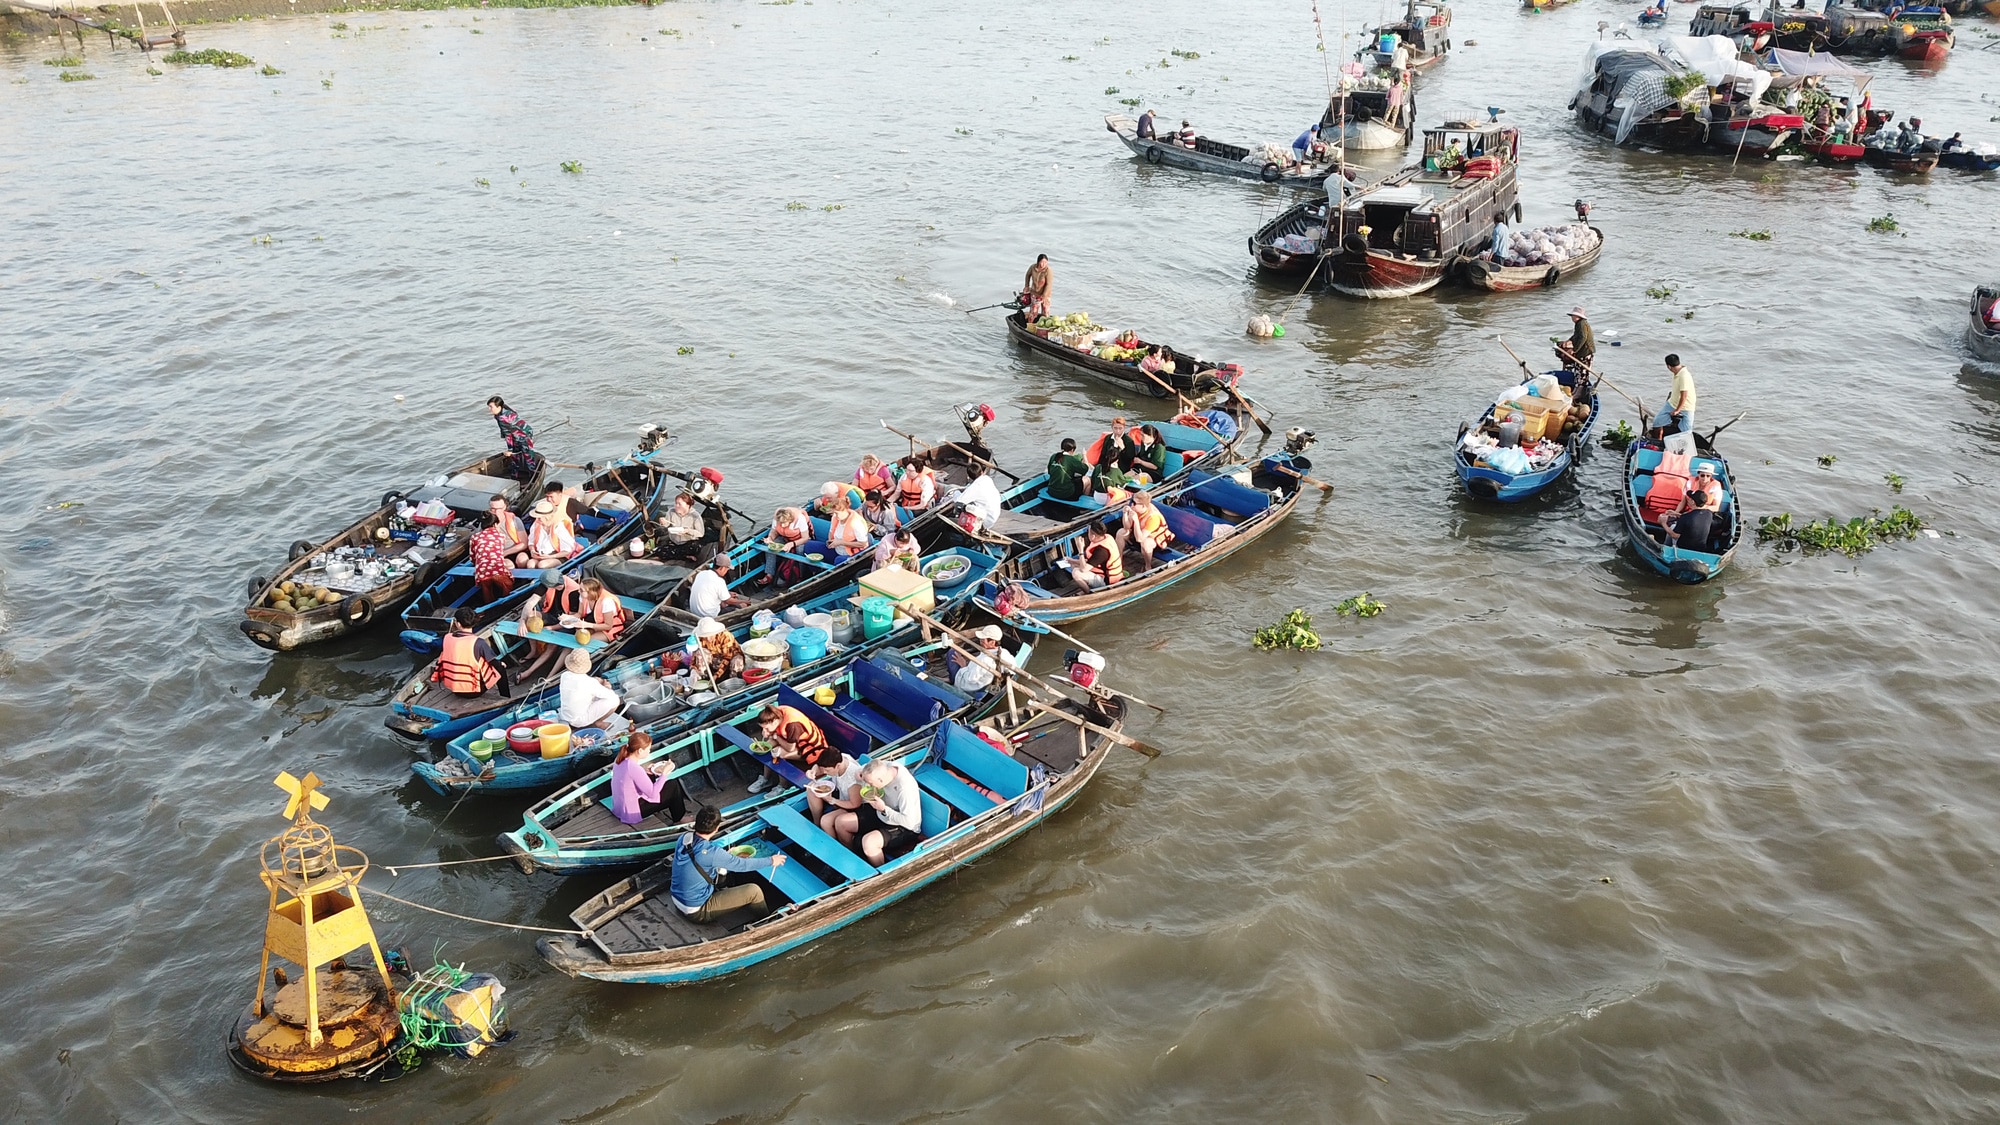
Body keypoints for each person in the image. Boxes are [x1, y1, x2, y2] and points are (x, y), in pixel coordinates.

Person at [669, 806, 787, 923]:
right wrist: (771, 860)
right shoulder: (713, 853)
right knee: (754, 891)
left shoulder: (684, 838)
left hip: (677, 898)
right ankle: (766, 922)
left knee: (721, 869)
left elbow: (702, 858)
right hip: (696, 911)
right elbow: (742, 865)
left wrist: (726, 857)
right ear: (717, 828)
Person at [828, 760, 923, 865]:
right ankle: (852, 859)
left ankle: (881, 873)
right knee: (841, 822)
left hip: (904, 826)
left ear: (880, 780)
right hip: (882, 811)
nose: (869, 785)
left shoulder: (905, 788)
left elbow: (910, 822)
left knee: (869, 842)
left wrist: (884, 809)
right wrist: (860, 772)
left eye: (871, 783)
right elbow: (869, 766)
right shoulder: (887, 767)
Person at [747, 703, 830, 794]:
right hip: (793, 743)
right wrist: (768, 739)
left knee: (779, 754)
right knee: (768, 748)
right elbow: (776, 736)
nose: (764, 731)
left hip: (811, 749)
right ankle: (766, 779)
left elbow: (790, 748)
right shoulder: (775, 714)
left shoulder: (792, 725)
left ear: (774, 722)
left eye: (766, 728)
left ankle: (782, 786)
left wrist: (775, 737)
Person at [610, 732, 687, 827]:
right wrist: (664, 774)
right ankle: (679, 818)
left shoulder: (620, 759)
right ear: (640, 751)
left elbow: (631, 780)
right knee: (673, 785)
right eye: (648, 749)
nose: (649, 751)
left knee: (654, 779)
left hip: (620, 808)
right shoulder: (634, 768)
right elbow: (653, 794)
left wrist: (649, 771)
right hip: (632, 811)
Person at [432, 608, 504, 697]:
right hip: (475, 692)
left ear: (458, 624)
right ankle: (505, 695)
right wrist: (501, 664)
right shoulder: (478, 642)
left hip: (455, 690)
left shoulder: (447, 637)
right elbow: (495, 663)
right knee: (499, 666)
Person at [557, 648, 627, 735]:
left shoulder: (564, 676)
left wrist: (596, 681)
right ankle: (598, 722)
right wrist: (607, 687)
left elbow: (581, 682)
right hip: (579, 720)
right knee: (614, 699)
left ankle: (594, 721)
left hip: (566, 715)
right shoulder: (589, 682)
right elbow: (609, 695)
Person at [949, 623, 1018, 694]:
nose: (980, 640)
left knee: (951, 653)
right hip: (982, 682)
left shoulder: (984, 660)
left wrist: (963, 666)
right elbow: (1013, 669)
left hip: (965, 685)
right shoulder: (1004, 652)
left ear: (992, 642)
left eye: (983, 640)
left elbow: (970, 679)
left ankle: (951, 680)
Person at [1664, 467, 1723, 549]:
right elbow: (1683, 501)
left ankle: (1666, 547)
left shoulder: (1715, 486)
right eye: (1702, 475)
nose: (1705, 478)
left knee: (1673, 528)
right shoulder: (1708, 515)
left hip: (1700, 512)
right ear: (1698, 474)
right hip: (1699, 513)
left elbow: (1716, 507)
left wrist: (1663, 523)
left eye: (1708, 476)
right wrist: (1675, 513)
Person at [486, 396, 543, 480]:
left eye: (491, 407)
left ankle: (533, 479)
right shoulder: (501, 414)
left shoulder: (503, 418)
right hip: (516, 437)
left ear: (499, 407)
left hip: (523, 437)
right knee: (515, 459)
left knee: (528, 459)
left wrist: (510, 450)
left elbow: (508, 434)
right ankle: (514, 478)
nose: (489, 409)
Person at [807, 747, 865, 828]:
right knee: (811, 788)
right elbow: (819, 766)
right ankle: (816, 823)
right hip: (839, 793)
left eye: (827, 771)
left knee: (826, 821)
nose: (824, 772)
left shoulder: (853, 779)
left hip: (852, 806)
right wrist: (813, 771)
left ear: (838, 766)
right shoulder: (838, 757)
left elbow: (855, 804)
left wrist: (832, 800)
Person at [1120, 489, 1174, 572]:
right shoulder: (1135, 509)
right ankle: (1118, 562)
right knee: (1121, 532)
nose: (1132, 505)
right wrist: (1125, 514)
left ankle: (1148, 567)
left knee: (1145, 543)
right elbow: (1127, 527)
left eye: (1134, 503)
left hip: (1154, 540)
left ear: (1143, 506)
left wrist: (1136, 521)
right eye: (1131, 501)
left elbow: (1140, 539)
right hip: (1140, 534)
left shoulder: (1153, 517)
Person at [468, 512, 516, 604]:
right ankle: (507, 603)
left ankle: (489, 606)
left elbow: (472, 557)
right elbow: (498, 552)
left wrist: (477, 566)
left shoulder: (474, 537)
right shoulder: (501, 536)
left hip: (482, 571)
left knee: (486, 590)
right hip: (497, 569)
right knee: (507, 586)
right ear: (495, 524)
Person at [1063, 520, 1125, 591]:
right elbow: (1089, 561)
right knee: (1073, 565)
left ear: (1093, 536)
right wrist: (1071, 561)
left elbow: (1084, 569)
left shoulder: (1101, 551)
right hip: (1098, 570)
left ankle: (1088, 593)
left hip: (1107, 581)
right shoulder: (1106, 537)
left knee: (1076, 573)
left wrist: (1080, 550)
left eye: (1088, 532)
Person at [760, 507, 811, 587]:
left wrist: (792, 544)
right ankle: (769, 574)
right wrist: (770, 538)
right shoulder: (777, 518)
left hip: (799, 540)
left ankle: (800, 574)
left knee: (800, 550)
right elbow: (774, 531)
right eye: (781, 524)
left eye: (785, 523)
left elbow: (805, 538)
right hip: (785, 538)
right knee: (770, 546)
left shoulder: (799, 519)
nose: (783, 526)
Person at [687, 616, 745, 683]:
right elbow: (694, 657)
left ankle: (734, 682)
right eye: (706, 636)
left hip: (729, 660)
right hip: (715, 660)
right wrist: (693, 670)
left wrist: (716, 675)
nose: (708, 639)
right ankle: (703, 679)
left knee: (738, 661)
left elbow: (727, 658)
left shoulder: (725, 636)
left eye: (710, 635)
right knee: (700, 653)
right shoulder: (700, 637)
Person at [688, 555, 748, 619]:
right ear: (722, 568)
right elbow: (728, 601)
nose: (727, 571)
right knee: (742, 606)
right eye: (727, 569)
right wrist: (743, 601)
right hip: (709, 615)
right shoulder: (719, 581)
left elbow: (711, 590)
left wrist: (728, 593)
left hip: (694, 612)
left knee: (722, 602)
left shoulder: (701, 574)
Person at [523, 498, 578, 567]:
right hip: (541, 555)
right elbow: (531, 543)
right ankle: (531, 577)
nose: (537, 520)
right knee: (530, 564)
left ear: (547, 517)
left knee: (542, 565)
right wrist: (532, 551)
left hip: (557, 556)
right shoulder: (536, 525)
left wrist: (550, 557)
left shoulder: (558, 527)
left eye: (539, 518)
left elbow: (567, 550)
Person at [653, 491, 707, 562]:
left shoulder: (695, 516)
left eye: (679, 504)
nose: (676, 506)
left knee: (695, 548)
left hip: (688, 542)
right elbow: (666, 525)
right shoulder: (671, 511)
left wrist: (688, 531)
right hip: (674, 541)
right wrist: (662, 522)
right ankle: (684, 556)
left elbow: (700, 533)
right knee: (659, 551)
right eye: (676, 503)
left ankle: (676, 555)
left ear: (688, 505)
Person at [1655, 354, 1697, 434]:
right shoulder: (1677, 373)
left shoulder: (1684, 376)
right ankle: (1659, 440)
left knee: (1687, 433)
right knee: (1657, 422)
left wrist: (1677, 410)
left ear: (1669, 367)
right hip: (1672, 403)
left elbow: (1684, 396)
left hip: (1687, 407)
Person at [953, 468, 1003, 534]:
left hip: (985, 521)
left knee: (953, 520)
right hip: (995, 514)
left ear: (969, 476)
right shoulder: (987, 479)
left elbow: (958, 501)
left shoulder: (974, 487)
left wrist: (955, 492)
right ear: (982, 472)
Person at [579, 577, 627, 642]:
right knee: (576, 640)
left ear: (591, 592)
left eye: (581, 590)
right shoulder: (583, 596)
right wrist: (570, 618)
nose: (578, 591)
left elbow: (608, 626)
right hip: (592, 625)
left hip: (610, 628)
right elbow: (579, 613)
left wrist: (587, 625)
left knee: (587, 641)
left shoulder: (606, 601)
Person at [825, 491, 871, 558]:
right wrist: (831, 541)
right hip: (837, 549)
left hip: (850, 553)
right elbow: (831, 531)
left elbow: (863, 543)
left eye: (837, 513)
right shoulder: (835, 517)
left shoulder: (855, 522)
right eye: (834, 513)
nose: (835, 515)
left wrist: (841, 542)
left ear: (845, 510)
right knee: (810, 546)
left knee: (838, 560)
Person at [1045, 437, 1090, 502]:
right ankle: (1083, 506)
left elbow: (1049, 472)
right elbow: (1086, 469)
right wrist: (1084, 455)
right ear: (1072, 450)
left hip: (1051, 491)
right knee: (1087, 480)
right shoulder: (1071, 459)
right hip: (1067, 494)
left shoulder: (1053, 456)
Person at [1556, 306, 1595, 371]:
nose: (1572, 317)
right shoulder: (1579, 324)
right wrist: (1568, 341)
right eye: (1572, 316)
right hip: (1584, 351)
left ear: (1579, 316)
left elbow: (1583, 337)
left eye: (1574, 316)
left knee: (1581, 374)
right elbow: (1576, 335)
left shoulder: (1581, 324)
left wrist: (1574, 350)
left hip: (1586, 351)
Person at [1020, 254, 1052, 322]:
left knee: (1045, 312)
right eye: (1042, 262)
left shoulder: (1048, 271)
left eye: (1045, 262)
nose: (1044, 264)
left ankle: (1045, 329)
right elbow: (1027, 275)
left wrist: (1044, 296)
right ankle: (1030, 325)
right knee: (1033, 311)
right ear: (1038, 261)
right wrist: (1026, 286)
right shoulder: (1033, 267)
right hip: (1035, 293)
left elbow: (1049, 284)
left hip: (1045, 295)